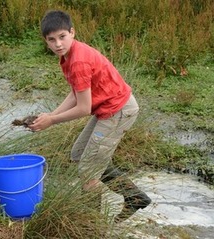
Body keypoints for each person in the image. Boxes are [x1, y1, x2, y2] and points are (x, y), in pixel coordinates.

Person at [28, 10, 151, 223]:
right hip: (106, 109)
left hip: (119, 110)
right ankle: (134, 197)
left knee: (88, 171)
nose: (58, 44)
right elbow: (76, 92)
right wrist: (51, 114)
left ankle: (91, 225)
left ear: (72, 32)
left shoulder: (78, 61)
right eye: (52, 39)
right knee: (79, 154)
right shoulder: (68, 56)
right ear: (46, 41)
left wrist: (52, 121)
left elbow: (84, 108)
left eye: (62, 37)